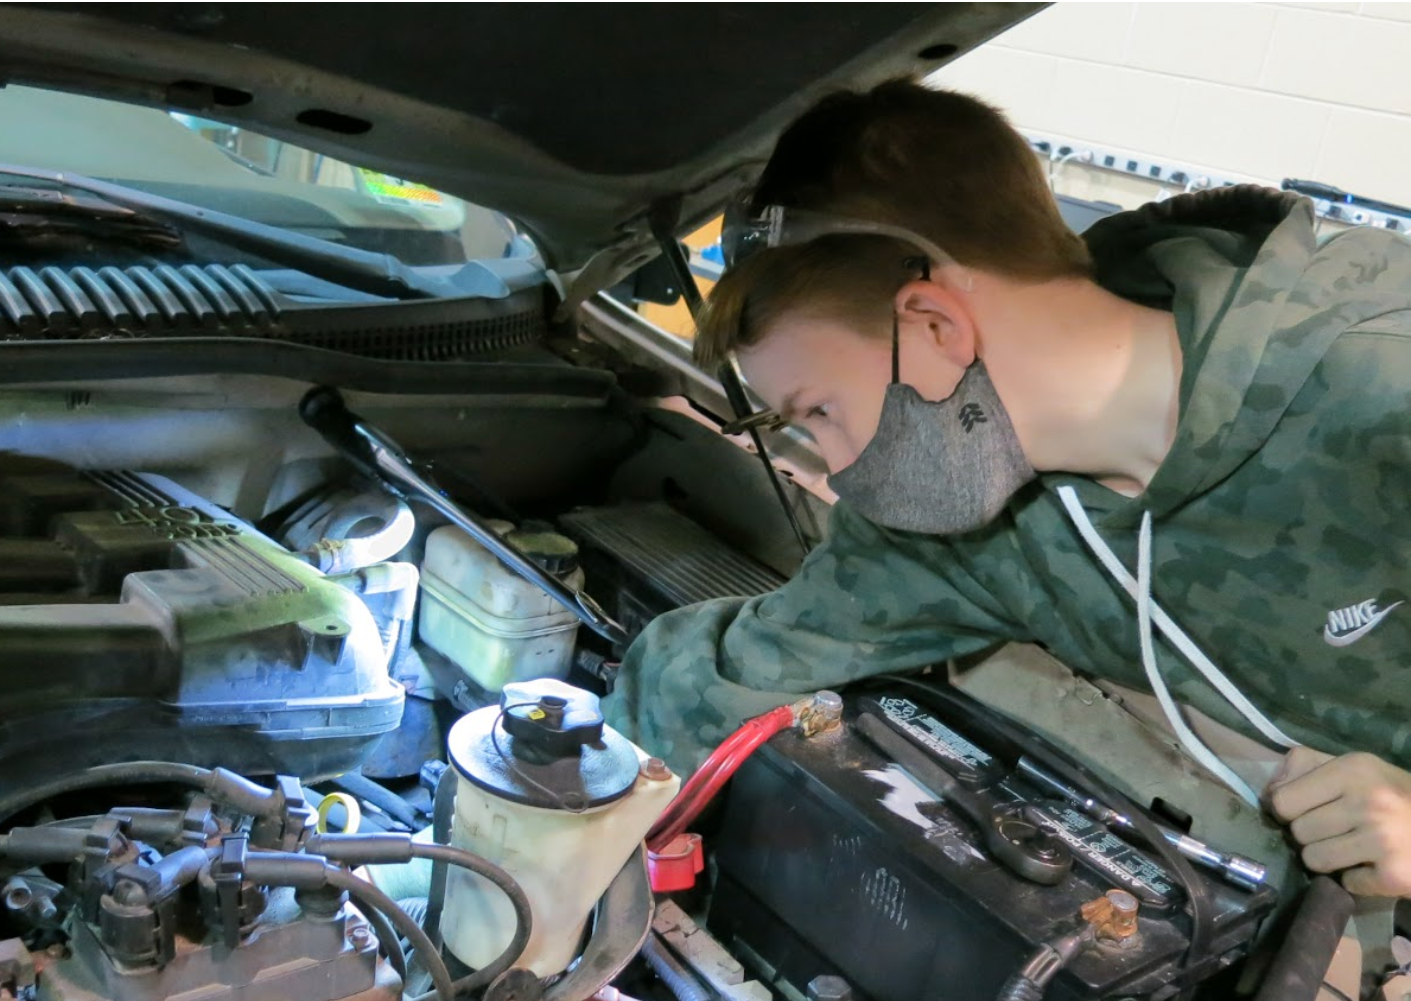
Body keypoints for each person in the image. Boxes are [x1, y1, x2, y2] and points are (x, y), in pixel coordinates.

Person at [602, 77, 1411, 900]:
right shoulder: (965, 507)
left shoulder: (1381, 393)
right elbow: (737, 671)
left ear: (934, 323)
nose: (838, 469)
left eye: (819, 412)